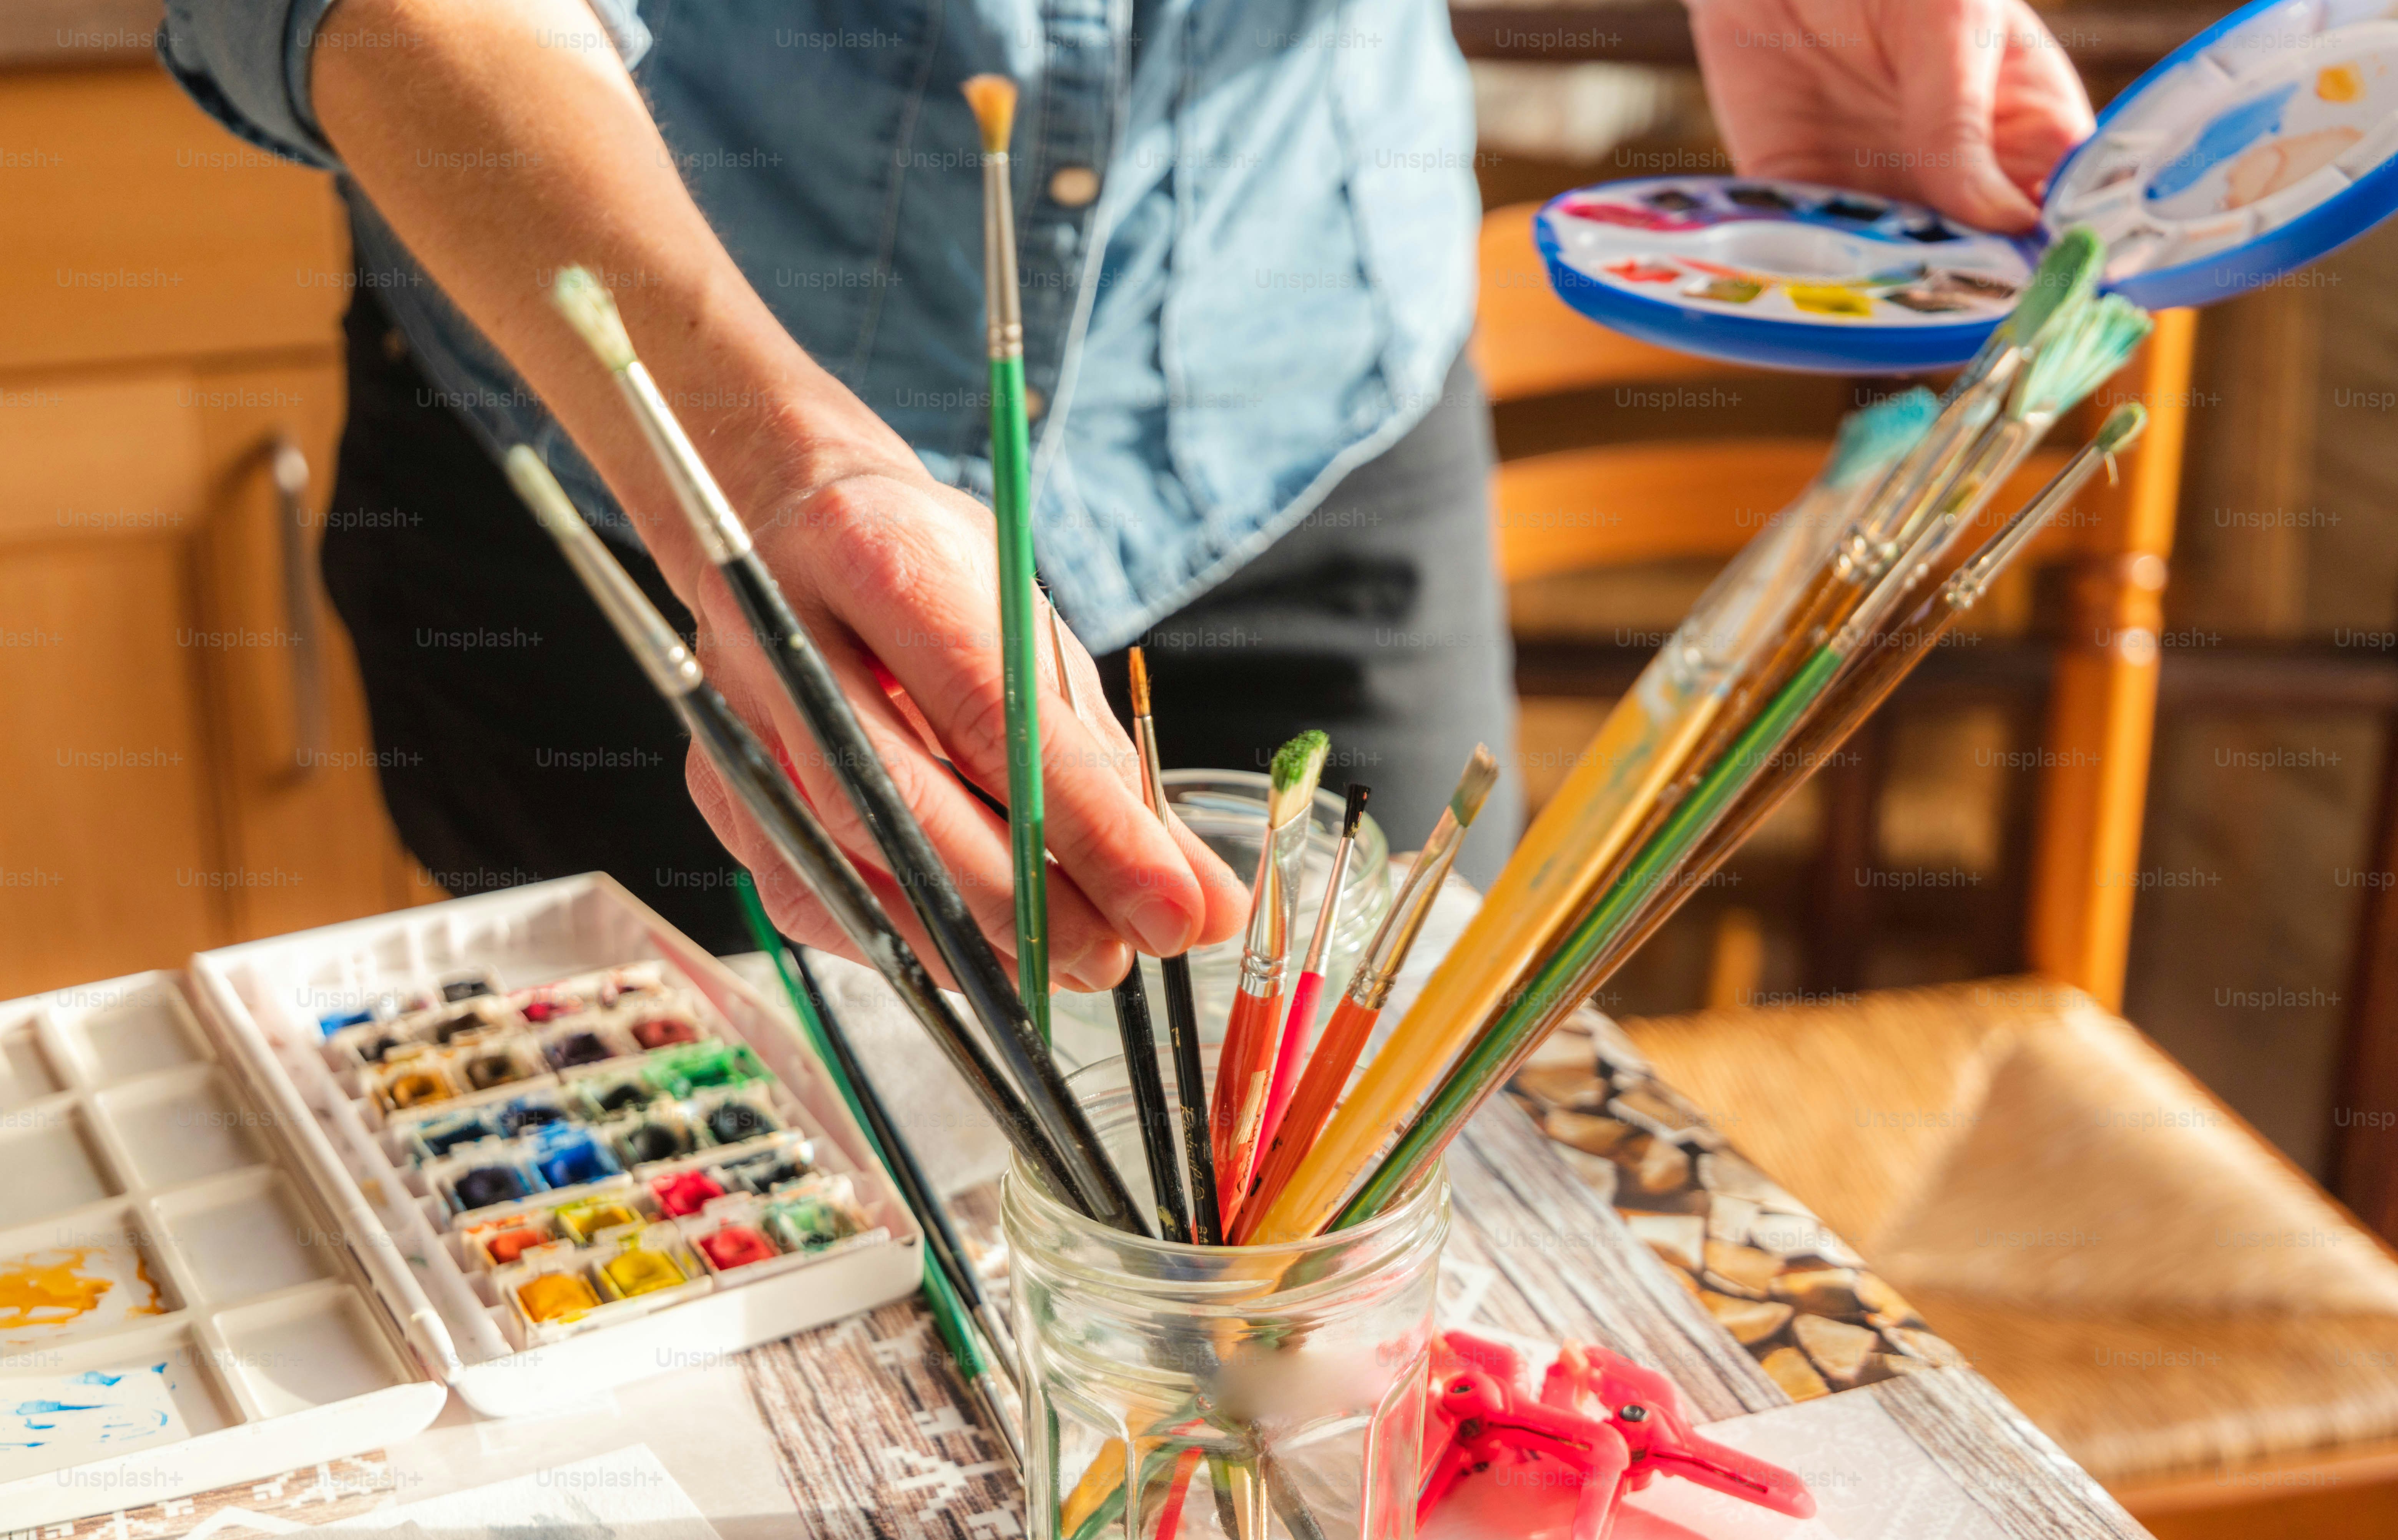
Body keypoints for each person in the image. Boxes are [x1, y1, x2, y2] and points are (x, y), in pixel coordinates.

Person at [161, 0, 2092, 988]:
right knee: (732, 1334)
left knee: (1378, 1233)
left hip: (1298, 381)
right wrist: (764, 456)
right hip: (659, 440)